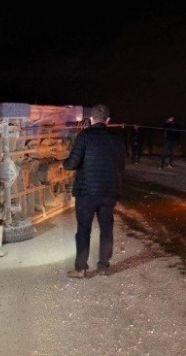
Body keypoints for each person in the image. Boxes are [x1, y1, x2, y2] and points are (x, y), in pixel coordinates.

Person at [63, 104, 126, 278]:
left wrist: (64, 163)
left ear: (91, 119)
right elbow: (121, 166)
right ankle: (104, 267)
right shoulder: (117, 139)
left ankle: (81, 268)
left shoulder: (84, 136)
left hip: (86, 192)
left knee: (83, 229)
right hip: (109, 192)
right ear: (108, 120)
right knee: (106, 229)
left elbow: (72, 164)